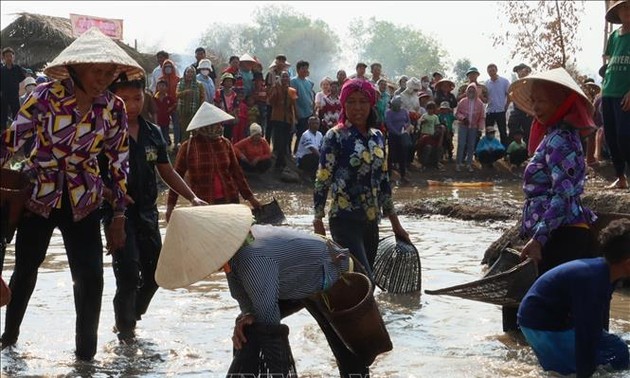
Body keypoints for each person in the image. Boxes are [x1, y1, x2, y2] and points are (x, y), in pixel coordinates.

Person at [0, 27, 143, 360]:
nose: (104, 79)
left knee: (90, 278)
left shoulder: (114, 107)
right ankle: (8, 340)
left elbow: (119, 162)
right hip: (39, 193)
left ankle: (85, 357)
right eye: (97, 72)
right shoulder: (45, 96)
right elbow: (12, 141)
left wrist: (119, 214)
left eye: (110, 73)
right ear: (76, 69)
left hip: (84, 198)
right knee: (26, 269)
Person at [154, 204, 387, 378]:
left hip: (339, 277)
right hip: (298, 281)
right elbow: (249, 306)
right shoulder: (236, 252)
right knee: (247, 327)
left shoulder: (252, 258)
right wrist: (246, 317)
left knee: (352, 358)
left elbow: (270, 325)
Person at [101, 75, 207, 343]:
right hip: (117, 214)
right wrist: (112, 197)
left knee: (155, 274)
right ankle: (125, 332)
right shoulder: (106, 132)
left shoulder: (153, 133)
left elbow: (166, 171)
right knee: (126, 273)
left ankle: (131, 316)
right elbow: (91, 173)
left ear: (145, 98)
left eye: (136, 99)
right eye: (124, 100)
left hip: (148, 213)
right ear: (113, 101)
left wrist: (192, 197)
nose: (131, 106)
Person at [505, 67, 598, 332]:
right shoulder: (554, 135)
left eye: (541, 101)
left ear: (562, 102)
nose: (535, 107)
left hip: (561, 236)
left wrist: (538, 239)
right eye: (532, 101)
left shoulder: (561, 139)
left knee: (548, 317)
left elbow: (563, 195)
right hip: (557, 233)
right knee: (545, 316)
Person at [313, 78, 410, 281]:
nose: (357, 108)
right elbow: (323, 178)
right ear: (343, 104)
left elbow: (384, 182)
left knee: (362, 282)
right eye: (351, 102)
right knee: (364, 279)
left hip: (371, 220)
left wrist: (396, 224)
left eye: (363, 102)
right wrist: (317, 219)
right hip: (344, 219)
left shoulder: (377, 137)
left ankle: (343, 312)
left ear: (371, 104)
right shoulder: (335, 136)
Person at [517, 218, 630, 377]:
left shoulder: (608, 273)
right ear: (628, 263)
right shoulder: (593, 280)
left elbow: (595, 324)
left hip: (560, 318)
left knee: (619, 350)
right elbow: (586, 336)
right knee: (570, 371)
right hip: (541, 324)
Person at [166, 102, 261, 221]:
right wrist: (170, 207)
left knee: (239, 238)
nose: (217, 127)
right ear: (203, 126)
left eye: (218, 124)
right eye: (213, 124)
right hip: (204, 203)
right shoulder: (189, 147)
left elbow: (237, 174)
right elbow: (176, 177)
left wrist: (251, 198)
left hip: (229, 200)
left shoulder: (225, 143)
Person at [602, 0, 630, 190]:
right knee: (610, 136)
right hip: (608, 91)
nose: (627, 11)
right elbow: (610, 62)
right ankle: (620, 177)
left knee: (624, 136)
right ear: (618, 13)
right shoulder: (613, 36)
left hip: (625, 94)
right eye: (623, 8)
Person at [267, 71, 297, 172]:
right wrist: (276, 88)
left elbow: (293, 106)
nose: (285, 79)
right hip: (277, 117)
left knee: (285, 141)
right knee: (279, 140)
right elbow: (270, 101)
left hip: (287, 119)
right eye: (283, 77)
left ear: (289, 79)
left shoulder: (292, 90)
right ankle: (279, 162)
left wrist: (294, 119)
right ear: (280, 78)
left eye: (286, 77)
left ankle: (281, 162)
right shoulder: (275, 88)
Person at [455, 83, 485, 172]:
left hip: (474, 127)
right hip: (463, 125)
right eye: (469, 90)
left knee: (471, 145)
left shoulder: (480, 103)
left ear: (476, 91)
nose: (471, 92)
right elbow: (457, 113)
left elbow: (482, 117)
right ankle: (458, 163)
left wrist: (480, 128)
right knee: (461, 144)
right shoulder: (462, 101)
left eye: (473, 90)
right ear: (467, 91)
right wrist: (463, 118)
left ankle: (469, 164)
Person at [385, 96, 412, 183]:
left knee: (402, 155)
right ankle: (388, 175)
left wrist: (405, 126)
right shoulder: (389, 113)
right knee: (391, 156)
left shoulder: (404, 111)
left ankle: (403, 175)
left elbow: (408, 121)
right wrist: (397, 132)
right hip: (393, 136)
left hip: (403, 134)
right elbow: (389, 125)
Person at [290, 60, 315, 154]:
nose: (305, 70)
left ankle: (306, 153)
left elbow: (311, 97)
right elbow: (293, 99)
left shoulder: (308, 82)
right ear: (298, 69)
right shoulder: (293, 81)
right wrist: (296, 113)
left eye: (306, 68)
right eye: (303, 68)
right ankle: (296, 153)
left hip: (309, 112)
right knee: (300, 134)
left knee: (309, 134)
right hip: (300, 112)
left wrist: (314, 112)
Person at [176, 66, 205, 144]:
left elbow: (202, 98)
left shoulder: (199, 85)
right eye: (188, 72)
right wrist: (185, 92)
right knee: (185, 134)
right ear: (185, 73)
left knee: (196, 133)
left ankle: (196, 151)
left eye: (192, 72)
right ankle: (185, 152)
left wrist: (201, 110)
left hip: (195, 113)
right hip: (183, 112)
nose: (190, 74)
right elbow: (177, 95)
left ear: (194, 74)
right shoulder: (180, 84)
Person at [485, 64, 511, 146]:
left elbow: (509, 95)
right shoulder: (486, 83)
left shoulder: (504, 81)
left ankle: (504, 151)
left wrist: (506, 106)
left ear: (496, 70)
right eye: (489, 71)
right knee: (489, 132)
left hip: (500, 110)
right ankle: (488, 150)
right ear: (487, 72)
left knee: (503, 132)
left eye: (493, 70)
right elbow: (485, 97)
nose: (491, 72)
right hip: (490, 111)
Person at [1, 47, 26, 131]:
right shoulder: (1, 70)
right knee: (3, 115)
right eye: (7, 56)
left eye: (10, 56)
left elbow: (22, 79)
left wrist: (20, 92)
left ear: (13, 57)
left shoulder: (17, 68)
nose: (9, 58)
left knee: (16, 114)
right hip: (3, 96)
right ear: (3, 58)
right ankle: (3, 132)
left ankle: (16, 131)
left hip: (15, 95)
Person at [508, 63, 534, 143]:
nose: (520, 73)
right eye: (518, 71)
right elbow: (511, 97)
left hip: (528, 112)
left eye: (522, 70)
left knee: (529, 133)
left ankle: (528, 152)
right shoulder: (515, 85)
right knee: (512, 125)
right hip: (517, 111)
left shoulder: (532, 83)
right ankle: (511, 150)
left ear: (527, 72)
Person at [416, 101, 444, 170]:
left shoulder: (435, 117)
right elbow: (419, 123)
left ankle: (436, 163)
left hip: (432, 136)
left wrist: (437, 131)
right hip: (424, 135)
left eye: (432, 109)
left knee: (437, 148)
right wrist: (422, 121)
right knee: (427, 148)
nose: (430, 110)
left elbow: (437, 126)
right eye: (429, 109)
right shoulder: (424, 115)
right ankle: (423, 164)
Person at [294, 116, 323, 180]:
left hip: (314, 156)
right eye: (313, 123)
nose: (315, 125)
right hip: (302, 159)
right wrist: (322, 158)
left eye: (317, 123)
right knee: (315, 156)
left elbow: (322, 147)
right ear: (309, 124)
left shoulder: (320, 134)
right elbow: (312, 149)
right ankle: (305, 173)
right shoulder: (306, 135)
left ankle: (314, 174)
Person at [154, 79, 176, 146]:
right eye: (159, 86)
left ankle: (166, 149)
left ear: (166, 87)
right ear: (157, 87)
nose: (161, 87)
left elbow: (175, 104)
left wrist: (170, 108)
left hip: (166, 120)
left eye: (163, 86)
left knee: (165, 135)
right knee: (157, 135)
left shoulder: (168, 98)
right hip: (157, 121)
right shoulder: (154, 98)